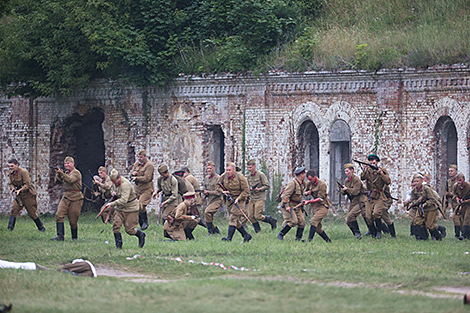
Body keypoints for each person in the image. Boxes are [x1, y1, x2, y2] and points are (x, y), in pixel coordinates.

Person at [103, 169, 145, 248]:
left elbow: (123, 200)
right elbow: (112, 188)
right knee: (116, 226)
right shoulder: (114, 182)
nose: (113, 183)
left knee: (130, 230)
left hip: (131, 208)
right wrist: (112, 192)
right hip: (120, 209)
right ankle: (118, 246)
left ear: (119, 178)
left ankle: (141, 235)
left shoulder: (125, 185)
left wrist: (112, 204)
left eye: (114, 181)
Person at [217, 162, 252, 242]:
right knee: (236, 221)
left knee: (233, 218)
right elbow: (217, 185)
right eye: (227, 170)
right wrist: (223, 191)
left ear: (234, 170)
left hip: (239, 200)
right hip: (229, 200)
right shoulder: (224, 176)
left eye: (229, 170)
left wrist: (239, 198)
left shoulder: (241, 177)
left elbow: (246, 191)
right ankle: (246, 235)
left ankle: (229, 238)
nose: (227, 172)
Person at [7, 158, 45, 232]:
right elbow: (11, 183)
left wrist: (20, 190)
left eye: (12, 166)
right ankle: (9, 228)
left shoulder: (23, 172)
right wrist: (13, 188)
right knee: (14, 210)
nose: (10, 168)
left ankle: (41, 228)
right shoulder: (11, 173)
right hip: (19, 195)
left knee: (32, 213)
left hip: (28, 194)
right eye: (9, 166)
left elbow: (27, 184)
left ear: (17, 165)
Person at [51, 156, 84, 241]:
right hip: (66, 196)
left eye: (68, 163)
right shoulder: (66, 173)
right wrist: (58, 174)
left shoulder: (76, 173)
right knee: (59, 215)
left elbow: (70, 180)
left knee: (73, 220)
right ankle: (60, 236)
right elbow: (57, 182)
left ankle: (74, 237)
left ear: (73, 164)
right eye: (65, 163)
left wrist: (62, 174)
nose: (66, 165)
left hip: (76, 197)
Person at [360, 153, 391, 239]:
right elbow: (362, 178)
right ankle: (372, 232)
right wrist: (365, 169)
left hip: (379, 195)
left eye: (374, 163)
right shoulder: (368, 171)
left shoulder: (382, 170)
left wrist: (381, 173)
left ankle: (379, 231)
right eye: (371, 162)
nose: (372, 164)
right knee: (368, 216)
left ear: (377, 163)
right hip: (370, 196)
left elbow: (388, 181)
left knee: (376, 213)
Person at [246, 159, 276, 232]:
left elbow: (267, 185)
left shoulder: (260, 175)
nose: (249, 169)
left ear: (254, 166)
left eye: (250, 167)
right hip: (252, 197)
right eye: (248, 167)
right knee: (250, 216)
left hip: (260, 197)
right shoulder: (249, 177)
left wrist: (259, 189)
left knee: (257, 216)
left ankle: (271, 220)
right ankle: (257, 230)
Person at [277, 167, 306, 240]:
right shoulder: (292, 183)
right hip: (289, 205)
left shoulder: (302, 183)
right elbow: (285, 195)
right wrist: (287, 206)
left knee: (302, 222)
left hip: (297, 206)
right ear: (301, 175)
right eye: (304, 173)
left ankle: (298, 239)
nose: (305, 175)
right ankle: (281, 234)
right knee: (293, 221)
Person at [409, 173, 442, 240]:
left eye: (417, 181)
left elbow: (432, 199)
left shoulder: (426, 189)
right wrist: (419, 200)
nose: (416, 183)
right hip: (420, 208)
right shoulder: (414, 191)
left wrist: (425, 204)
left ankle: (438, 237)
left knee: (429, 226)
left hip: (431, 208)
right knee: (417, 222)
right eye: (414, 181)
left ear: (421, 181)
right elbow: (414, 201)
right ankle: (423, 237)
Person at [340, 163, 366, 239]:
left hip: (359, 201)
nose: (346, 173)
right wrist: (343, 190)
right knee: (348, 221)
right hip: (353, 201)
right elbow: (344, 193)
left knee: (351, 216)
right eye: (345, 171)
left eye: (347, 171)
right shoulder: (346, 181)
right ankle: (355, 234)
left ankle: (358, 234)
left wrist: (347, 189)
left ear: (352, 171)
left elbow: (356, 191)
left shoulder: (356, 180)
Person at [304, 170, 332, 242]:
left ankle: (309, 241)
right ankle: (328, 241)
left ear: (315, 177)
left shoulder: (322, 184)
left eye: (311, 179)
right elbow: (304, 192)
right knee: (317, 228)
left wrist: (309, 201)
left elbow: (320, 198)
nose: (310, 181)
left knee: (313, 221)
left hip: (323, 206)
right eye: (309, 180)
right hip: (315, 207)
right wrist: (307, 193)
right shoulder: (309, 183)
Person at [130, 149, 154, 230]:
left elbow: (147, 178)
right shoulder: (137, 164)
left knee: (141, 205)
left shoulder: (149, 165)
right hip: (137, 189)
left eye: (141, 157)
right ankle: (141, 224)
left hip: (146, 189)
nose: (139, 159)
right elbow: (131, 174)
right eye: (138, 157)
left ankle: (145, 222)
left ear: (145, 157)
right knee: (136, 206)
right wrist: (132, 174)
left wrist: (137, 178)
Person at [203, 161, 223, 235]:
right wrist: (204, 192)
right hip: (210, 200)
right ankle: (215, 230)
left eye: (210, 168)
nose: (209, 170)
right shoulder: (206, 178)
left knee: (207, 211)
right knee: (207, 217)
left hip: (217, 200)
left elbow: (219, 192)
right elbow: (205, 187)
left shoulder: (218, 178)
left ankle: (210, 231)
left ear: (214, 168)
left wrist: (209, 192)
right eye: (207, 168)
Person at [444, 164, 460, 238]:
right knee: (456, 218)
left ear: (456, 171)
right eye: (449, 171)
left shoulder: (459, 180)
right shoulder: (448, 181)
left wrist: (452, 194)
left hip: (459, 201)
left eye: (451, 171)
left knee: (457, 217)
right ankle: (458, 234)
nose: (450, 172)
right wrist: (447, 203)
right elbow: (447, 193)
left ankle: (461, 234)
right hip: (453, 202)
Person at [453, 173, 470, 239]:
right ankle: (466, 234)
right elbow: (454, 194)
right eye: (457, 180)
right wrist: (457, 198)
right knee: (461, 217)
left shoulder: (468, 186)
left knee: (467, 218)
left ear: (464, 180)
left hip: (468, 203)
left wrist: (466, 201)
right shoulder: (455, 186)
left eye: (460, 180)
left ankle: (464, 235)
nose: (458, 182)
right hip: (461, 204)